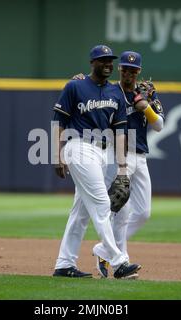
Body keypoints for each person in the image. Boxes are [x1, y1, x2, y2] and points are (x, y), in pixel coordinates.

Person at [71, 51, 165, 279]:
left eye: (133, 71)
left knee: (143, 213)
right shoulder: (111, 91)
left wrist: (146, 106)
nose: (129, 74)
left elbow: (159, 125)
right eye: (125, 69)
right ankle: (120, 262)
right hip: (117, 154)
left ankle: (104, 249)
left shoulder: (147, 92)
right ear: (119, 70)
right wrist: (81, 81)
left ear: (138, 72)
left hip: (140, 157)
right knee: (120, 213)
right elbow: (91, 89)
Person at [52, 45, 142, 279]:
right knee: (102, 204)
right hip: (79, 147)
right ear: (92, 63)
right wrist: (56, 153)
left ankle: (64, 263)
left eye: (110, 61)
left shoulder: (115, 94)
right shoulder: (76, 86)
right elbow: (58, 120)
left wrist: (122, 167)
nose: (107, 64)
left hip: (102, 153)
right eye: (102, 60)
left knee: (80, 213)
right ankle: (119, 261)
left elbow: (121, 133)